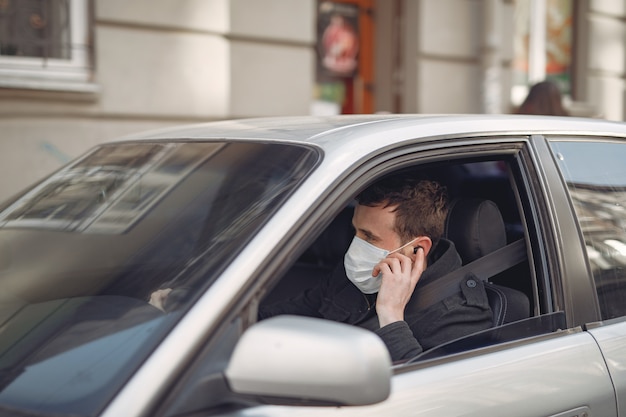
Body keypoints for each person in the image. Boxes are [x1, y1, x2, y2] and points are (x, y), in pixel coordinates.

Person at [259, 176, 493, 362]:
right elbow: (288, 313)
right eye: (356, 232)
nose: (355, 247)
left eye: (369, 238)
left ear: (417, 248)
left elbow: (433, 397)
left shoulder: (461, 314)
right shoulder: (356, 273)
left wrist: (391, 315)